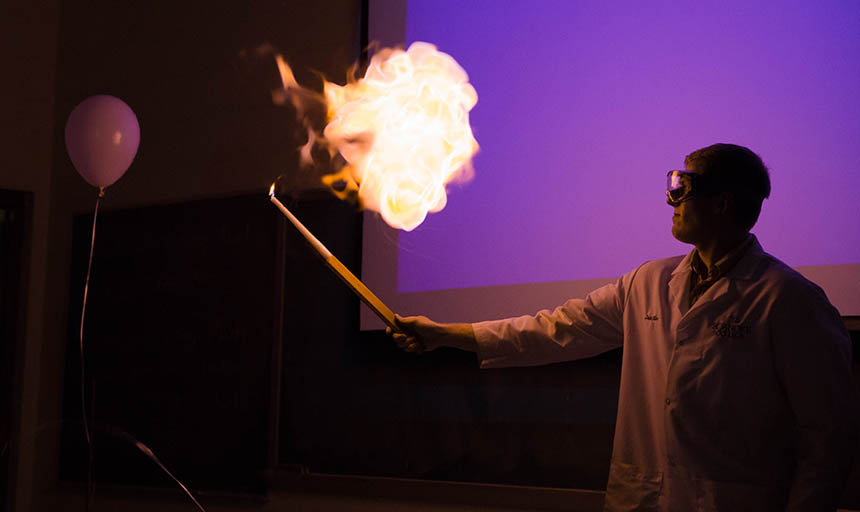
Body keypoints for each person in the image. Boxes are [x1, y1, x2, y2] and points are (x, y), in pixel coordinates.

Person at [388, 143, 858, 511]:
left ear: (722, 203)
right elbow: (555, 329)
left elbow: (827, 434)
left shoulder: (788, 299)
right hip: (646, 497)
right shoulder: (648, 282)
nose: (670, 198)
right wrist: (444, 334)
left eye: (683, 186)